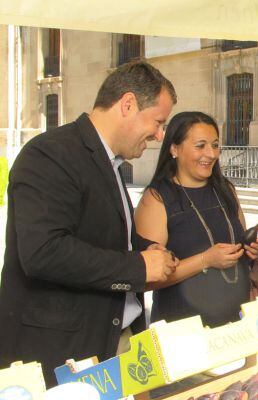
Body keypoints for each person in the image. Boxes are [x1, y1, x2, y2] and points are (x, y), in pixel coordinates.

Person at [0, 61, 180, 386]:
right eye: (157, 122)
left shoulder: (108, 160)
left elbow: (97, 233)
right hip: (63, 357)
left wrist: (142, 248)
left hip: (111, 342)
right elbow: (44, 251)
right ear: (127, 104)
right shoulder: (50, 154)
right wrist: (137, 266)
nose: (159, 135)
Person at [134, 111, 258, 328]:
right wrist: (205, 260)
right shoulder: (156, 199)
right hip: (183, 329)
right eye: (200, 146)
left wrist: (252, 253)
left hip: (238, 324)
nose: (211, 153)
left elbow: (239, 252)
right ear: (174, 148)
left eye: (215, 145)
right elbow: (148, 278)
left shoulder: (226, 190)